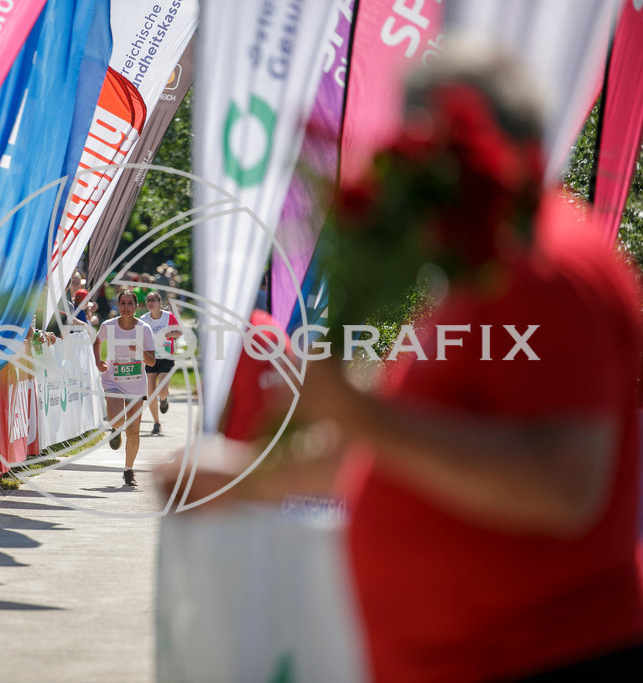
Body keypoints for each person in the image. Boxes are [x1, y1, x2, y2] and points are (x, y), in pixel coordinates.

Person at [165, 44, 643, 681]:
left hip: (538, 654)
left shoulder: (546, 266)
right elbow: (414, 456)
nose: (400, 163)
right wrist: (246, 480)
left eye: (418, 138)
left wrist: (358, 413)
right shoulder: (488, 264)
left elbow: (563, 484)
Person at [94, 287, 156, 486]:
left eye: (130, 303)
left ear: (136, 306)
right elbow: (96, 341)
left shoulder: (144, 329)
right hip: (113, 381)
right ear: (117, 305)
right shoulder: (108, 326)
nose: (126, 307)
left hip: (136, 386)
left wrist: (139, 350)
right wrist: (98, 361)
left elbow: (153, 362)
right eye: (123, 303)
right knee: (116, 419)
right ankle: (114, 429)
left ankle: (128, 470)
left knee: (134, 432)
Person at [139, 291, 182, 435]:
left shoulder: (168, 317)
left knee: (162, 390)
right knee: (150, 393)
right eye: (148, 300)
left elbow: (179, 331)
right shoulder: (143, 319)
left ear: (159, 303)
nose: (150, 303)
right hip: (150, 357)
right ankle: (156, 423)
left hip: (166, 356)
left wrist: (169, 334)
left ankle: (164, 399)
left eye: (153, 300)